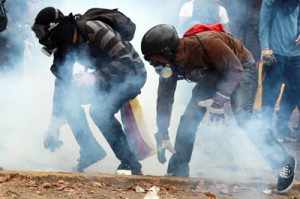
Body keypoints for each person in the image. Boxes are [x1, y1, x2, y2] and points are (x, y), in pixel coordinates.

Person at [141, 24, 297, 193]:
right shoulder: (169, 67)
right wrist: (162, 132)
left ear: (167, 51)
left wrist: (219, 101)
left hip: (241, 68)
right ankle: (178, 169)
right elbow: (164, 98)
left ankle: (284, 161)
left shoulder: (208, 43)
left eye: (153, 59)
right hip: (213, 77)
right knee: (189, 119)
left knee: (244, 117)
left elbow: (235, 70)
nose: (152, 64)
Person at [31, 7, 146, 175]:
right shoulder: (65, 46)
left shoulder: (94, 28)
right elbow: (62, 85)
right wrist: (53, 125)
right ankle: (90, 150)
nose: (42, 39)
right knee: (69, 100)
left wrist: (95, 76)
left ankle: (130, 164)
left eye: (42, 33)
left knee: (99, 112)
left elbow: (125, 60)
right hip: (106, 78)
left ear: (56, 28)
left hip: (131, 74)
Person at [259, 0, 300, 142]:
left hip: (296, 53)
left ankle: (281, 127)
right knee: (271, 91)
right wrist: (265, 47)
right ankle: (265, 130)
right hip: (275, 53)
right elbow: (264, 22)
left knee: (295, 91)